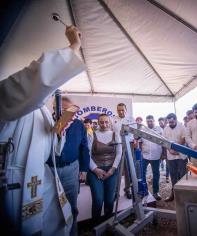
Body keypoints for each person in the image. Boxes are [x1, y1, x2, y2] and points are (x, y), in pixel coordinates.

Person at [0, 26, 84, 235]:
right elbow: (34, 79)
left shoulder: (41, 112)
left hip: (43, 181)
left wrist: (58, 133)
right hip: (16, 185)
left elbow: (53, 148)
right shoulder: (6, 98)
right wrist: (73, 45)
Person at [46, 96, 90, 236]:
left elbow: (84, 148)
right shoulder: (46, 123)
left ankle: (72, 232)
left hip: (72, 170)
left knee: (71, 205)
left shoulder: (79, 125)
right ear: (54, 108)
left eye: (69, 110)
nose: (66, 113)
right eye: (62, 109)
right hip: (49, 171)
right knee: (50, 207)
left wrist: (83, 169)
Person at [87, 114, 122, 224]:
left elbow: (119, 153)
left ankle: (108, 223)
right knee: (98, 200)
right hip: (95, 170)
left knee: (109, 200)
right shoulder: (92, 134)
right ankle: (96, 224)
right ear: (98, 123)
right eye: (101, 122)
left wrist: (113, 169)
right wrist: (95, 169)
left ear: (110, 122)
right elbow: (87, 154)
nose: (104, 124)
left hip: (112, 170)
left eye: (106, 122)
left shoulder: (115, 134)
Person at [112, 103, 135, 199]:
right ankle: (115, 192)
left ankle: (127, 189)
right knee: (116, 168)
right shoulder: (113, 119)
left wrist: (135, 141)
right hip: (117, 145)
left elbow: (135, 133)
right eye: (119, 110)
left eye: (122, 110)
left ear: (126, 110)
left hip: (128, 145)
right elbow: (111, 133)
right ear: (117, 110)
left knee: (128, 169)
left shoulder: (131, 119)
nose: (121, 112)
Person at [163, 113, 188, 202]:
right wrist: (170, 150)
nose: (171, 124)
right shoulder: (165, 129)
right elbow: (164, 141)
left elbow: (184, 138)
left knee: (183, 176)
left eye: (173, 122)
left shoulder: (181, 126)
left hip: (181, 155)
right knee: (173, 176)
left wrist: (177, 149)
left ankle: (184, 196)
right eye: (170, 122)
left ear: (176, 120)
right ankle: (173, 194)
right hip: (170, 156)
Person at [140, 115, 163, 200]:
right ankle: (144, 190)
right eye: (148, 121)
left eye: (151, 121)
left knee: (156, 174)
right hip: (144, 156)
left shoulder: (159, 129)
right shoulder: (143, 129)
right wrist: (140, 153)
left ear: (154, 121)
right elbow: (139, 142)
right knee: (142, 174)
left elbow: (163, 142)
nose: (149, 123)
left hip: (156, 156)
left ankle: (156, 192)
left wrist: (163, 154)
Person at [158, 117, 169, 183]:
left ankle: (167, 177)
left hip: (166, 150)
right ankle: (157, 176)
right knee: (158, 164)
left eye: (161, 122)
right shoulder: (158, 129)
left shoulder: (167, 129)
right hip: (160, 149)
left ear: (164, 122)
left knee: (168, 164)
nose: (160, 124)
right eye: (159, 123)